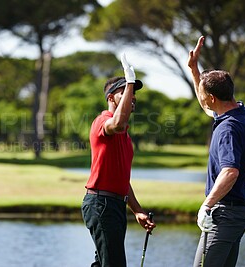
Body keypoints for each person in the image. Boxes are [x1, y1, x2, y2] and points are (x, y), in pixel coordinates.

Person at [81, 52, 156, 267]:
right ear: (110, 98)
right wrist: (130, 80)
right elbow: (118, 123)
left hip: (114, 205)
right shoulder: (103, 122)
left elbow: (122, 180)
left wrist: (138, 210)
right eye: (125, 92)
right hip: (101, 204)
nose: (132, 97)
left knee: (104, 262)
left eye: (133, 93)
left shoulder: (125, 135)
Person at [188, 36, 245, 267]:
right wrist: (195, 69)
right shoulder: (240, 112)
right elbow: (206, 103)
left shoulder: (226, 128)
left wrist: (206, 205)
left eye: (205, 95)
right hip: (238, 212)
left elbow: (230, 172)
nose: (203, 99)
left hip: (224, 214)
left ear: (213, 98)